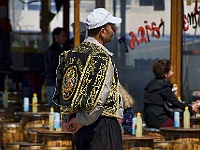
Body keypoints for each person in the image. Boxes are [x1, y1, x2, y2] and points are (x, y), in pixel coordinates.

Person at [53, 8, 123, 150]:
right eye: (111, 27)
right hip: (101, 126)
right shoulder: (101, 57)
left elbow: (65, 90)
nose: (113, 31)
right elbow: (99, 98)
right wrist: (81, 121)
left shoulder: (71, 54)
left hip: (81, 127)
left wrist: (70, 119)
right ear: (102, 32)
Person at [143, 59, 199, 129]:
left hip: (149, 119)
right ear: (165, 74)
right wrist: (191, 108)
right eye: (171, 71)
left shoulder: (152, 84)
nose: (173, 73)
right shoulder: (163, 87)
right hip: (159, 119)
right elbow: (175, 103)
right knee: (187, 124)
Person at [44, 27, 67, 111]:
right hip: (54, 82)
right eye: (63, 36)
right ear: (55, 37)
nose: (65, 38)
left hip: (52, 82)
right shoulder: (55, 51)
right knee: (54, 108)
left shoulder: (55, 49)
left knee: (52, 108)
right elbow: (55, 67)